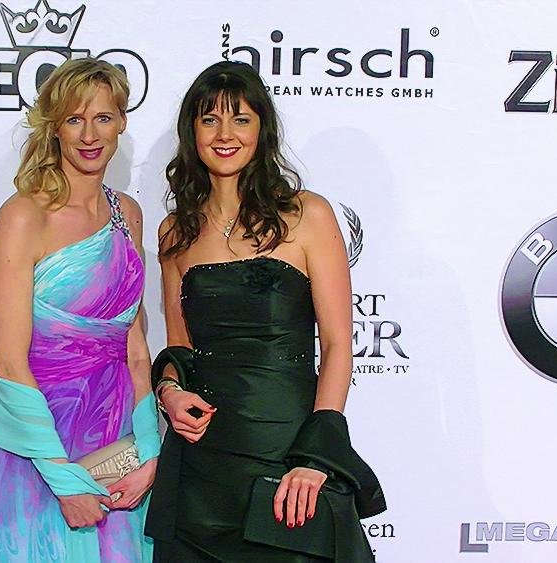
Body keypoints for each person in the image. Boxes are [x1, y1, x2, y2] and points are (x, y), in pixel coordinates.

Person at [145, 61, 386, 562]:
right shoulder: (175, 232)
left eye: (241, 119)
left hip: (288, 458)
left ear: (262, 129)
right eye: (210, 119)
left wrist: (318, 456)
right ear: (192, 132)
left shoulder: (307, 215)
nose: (225, 134)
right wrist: (169, 393)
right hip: (202, 467)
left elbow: (337, 345)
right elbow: (179, 348)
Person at [0, 58, 160, 562]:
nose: (89, 135)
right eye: (74, 119)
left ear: (122, 122)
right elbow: (10, 363)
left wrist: (150, 451)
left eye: (103, 117)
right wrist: (62, 479)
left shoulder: (128, 214)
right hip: (41, 446)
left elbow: (134, 346)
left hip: (117, 442)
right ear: (54, 126)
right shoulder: (24, 216)